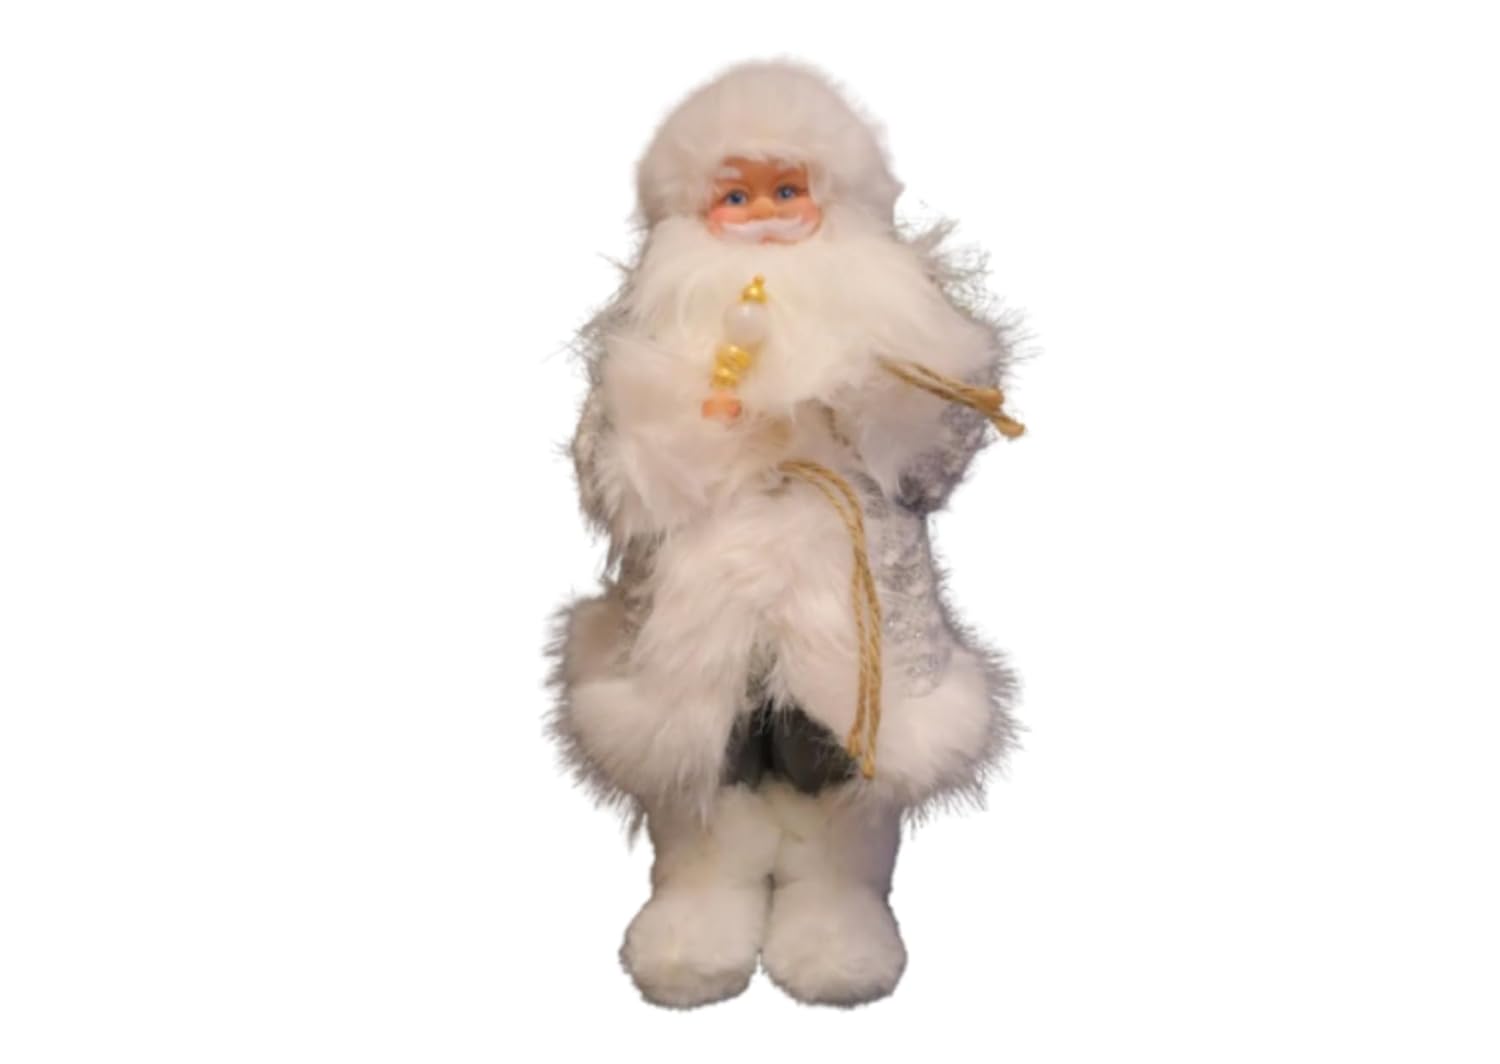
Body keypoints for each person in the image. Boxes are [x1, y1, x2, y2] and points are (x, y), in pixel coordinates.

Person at [550, 60, 1021, 1008]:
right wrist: (676, 433)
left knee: (840, 747)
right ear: (692, 215)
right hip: (697, 598)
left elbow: (931, 474)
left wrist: (885, 402)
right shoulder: (649, 335)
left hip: (848, 593)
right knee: (709, 746)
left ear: (835, 199)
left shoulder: (904, 326)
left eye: (786, 190)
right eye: (735, 195)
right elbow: (605, 482)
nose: (763, 215)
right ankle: (698, 892)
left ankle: (840, 897)